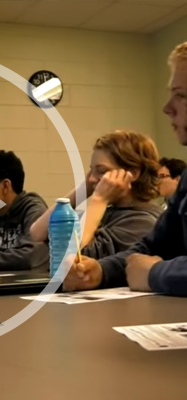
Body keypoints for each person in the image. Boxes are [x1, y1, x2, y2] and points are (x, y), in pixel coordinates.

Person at [63, 42, 187, 297]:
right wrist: (101, 271)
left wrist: (155, 274)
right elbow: (149, 249)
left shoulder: (139, 217)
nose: (167, 108)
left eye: (181, 95)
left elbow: (150, 265)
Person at [30, 130, 162, 259]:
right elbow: (37, 234)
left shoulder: (143, 222)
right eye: (91, 171)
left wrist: (99, 199)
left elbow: (75, 259)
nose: (92, 178)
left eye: (102, 171)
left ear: (132, 173)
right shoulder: (105, 212)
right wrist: (84, 189)